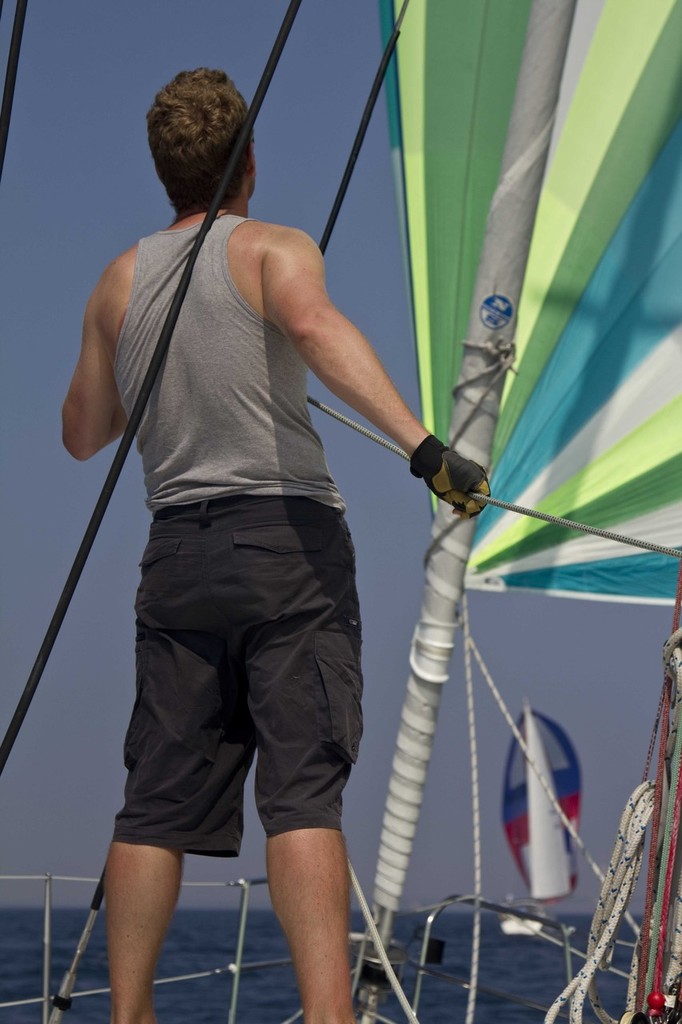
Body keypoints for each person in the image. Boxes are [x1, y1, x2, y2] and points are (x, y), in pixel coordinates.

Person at [62, 68, 489, 1024]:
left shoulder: (115, 284)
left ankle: (127, 1016)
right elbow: (312, 324)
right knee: (301, 795)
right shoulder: (273, 249)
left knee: (156, 802)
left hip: (175, 556)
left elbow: (83, 431)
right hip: (286, 546)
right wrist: (427, 453)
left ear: (164, 171)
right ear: (248, 160)